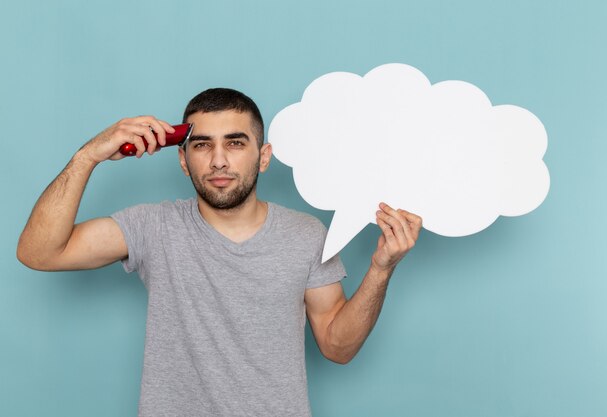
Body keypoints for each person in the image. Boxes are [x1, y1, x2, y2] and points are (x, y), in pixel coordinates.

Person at [17, 88, 422, 417]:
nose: (218, 160)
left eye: (235, 143)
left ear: (263, 158)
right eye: (202, 145)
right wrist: (88, 156)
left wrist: (380, 269)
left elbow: (337, 347)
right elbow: (39, 252)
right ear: (182, 159)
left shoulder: (306, 235)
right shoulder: (153, 227)